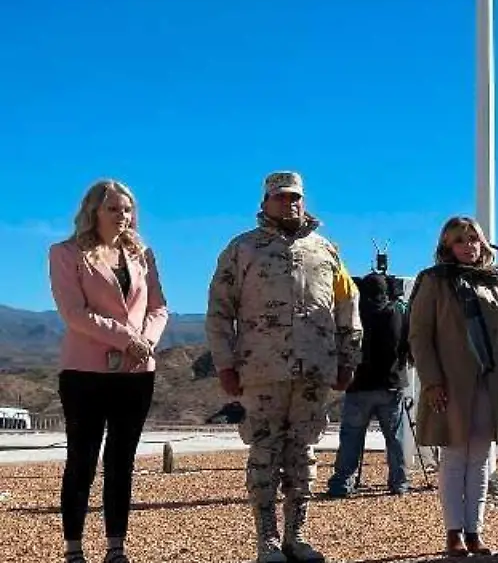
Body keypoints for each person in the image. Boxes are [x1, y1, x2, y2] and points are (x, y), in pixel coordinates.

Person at [205, 171, 362, 563]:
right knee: (264, 453)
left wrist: (348, 359)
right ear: (265, 202)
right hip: (261, 371)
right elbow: (219, 311)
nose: (289, 203)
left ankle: (297, 536)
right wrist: (225, 364)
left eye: (295, 197)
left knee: (303, 453)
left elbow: (347, 309)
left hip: (314, 371)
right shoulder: (242, 249)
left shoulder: (326, 251)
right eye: (280, 197)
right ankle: (267, 540)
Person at [48, 180, 169, 563]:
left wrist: (145, 341)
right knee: (81, 459)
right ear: (93, 212)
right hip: (85, 372)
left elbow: (159, 307)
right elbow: (73, 312)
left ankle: (116, 547)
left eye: (128, 209)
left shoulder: (143, 255)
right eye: (114, 209)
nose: (123, 216)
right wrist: (124, 338)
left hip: (136, 372)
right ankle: (74, 549)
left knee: (122, 461)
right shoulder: (66, 253)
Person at [409, 216, 498, 557]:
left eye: (474, 239)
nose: (468, 246)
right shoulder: (433, 281)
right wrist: (431, 381)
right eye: (460, 240)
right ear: (447, 246)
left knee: (480, 460)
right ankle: (453, 533)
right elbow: (420, 335)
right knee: (455, 458)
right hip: (450, 383)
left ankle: (475, 532)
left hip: (491, 383)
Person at [326, 270, 411, 497]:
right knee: (395, 438)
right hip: (390, 384)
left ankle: (343, 482)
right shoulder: (397, 313)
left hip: (358, 385)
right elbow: (407, 345)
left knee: (351, 437)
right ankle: (399, 482)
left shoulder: (355, 315)